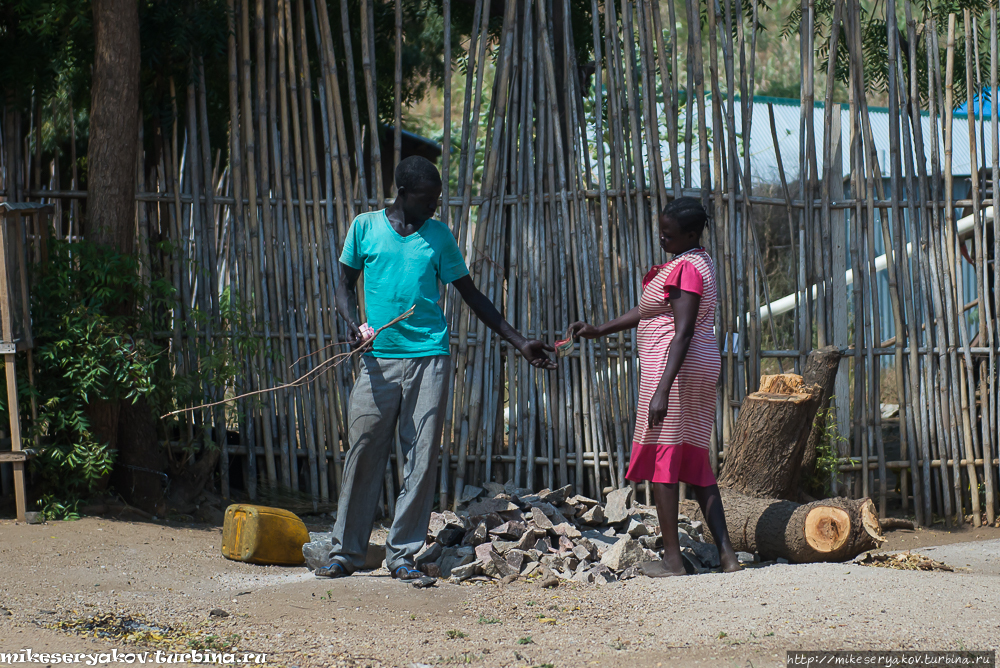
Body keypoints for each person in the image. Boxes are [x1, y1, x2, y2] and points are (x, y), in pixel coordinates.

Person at [317, 156, 556, 581]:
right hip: (377, 358)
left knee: (421, 458)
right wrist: (352, 325)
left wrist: (519, 341)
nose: (434, 205)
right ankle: (345, 553)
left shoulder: (439, 236)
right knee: (363, 451)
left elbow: (471, 294)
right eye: (428, 198)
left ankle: (402, 556)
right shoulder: (365, 227)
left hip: (430, 358)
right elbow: (343, 283)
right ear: (403, 193)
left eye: (437, 198)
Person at [568, 197, 740, 576]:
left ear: (690, 235)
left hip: (674, 370)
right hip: (697, 367)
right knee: (695, 460)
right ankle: (728, 557)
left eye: (669, 234)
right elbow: (651, 310)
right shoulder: (698, 261)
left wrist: (662, 389)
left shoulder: (685, 269)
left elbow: (683, 331)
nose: (662, 239)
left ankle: (673, 560)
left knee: (666, 457)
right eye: (661, 231)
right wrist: (600, 329)